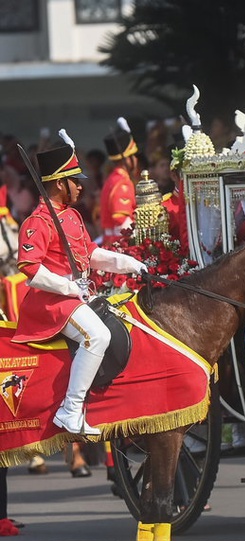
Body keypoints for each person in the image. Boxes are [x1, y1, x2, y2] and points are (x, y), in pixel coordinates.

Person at [12, 134, 147, 435]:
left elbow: (92, 254)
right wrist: (69, 287)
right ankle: (70, 410)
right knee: (97, 335)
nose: (81, 185)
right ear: (59, 183)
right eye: (75, 180)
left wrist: (131, 264)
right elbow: (30, 270)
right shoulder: (38, 221)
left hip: (75, 299)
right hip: (52, 303)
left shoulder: (71, 216)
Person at [100, 118, 140, 245]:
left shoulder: (112, 178)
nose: (136, 160)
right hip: (120, 244)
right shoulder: (122, 182)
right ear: (127, 159)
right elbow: (121, 218)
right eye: (133, 156)